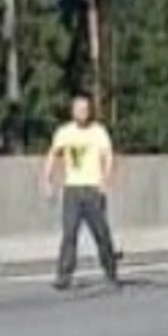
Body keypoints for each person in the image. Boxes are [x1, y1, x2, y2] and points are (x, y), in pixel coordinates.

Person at [41, 95, 119, 291]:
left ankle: (111, 273)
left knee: (101, 233)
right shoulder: (64, 133)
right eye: (78, 109)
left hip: (93, 189)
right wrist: (47, 180)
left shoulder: (98, 132)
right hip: (72, 190)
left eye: (85, 109)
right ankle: (63, 276)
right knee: (69, 233)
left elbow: (108, 156)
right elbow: (52, 155)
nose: (82, 113)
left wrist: (105, 179)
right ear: (72, 111)